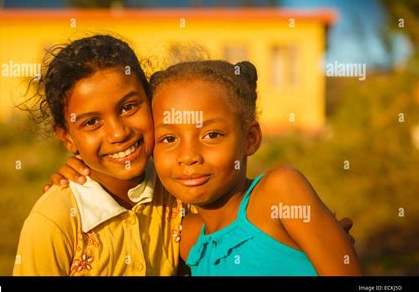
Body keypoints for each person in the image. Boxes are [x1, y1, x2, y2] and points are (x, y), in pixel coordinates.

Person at [149, 60, 362, 276]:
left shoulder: (279, 194)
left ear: (250, 139)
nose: (188, 156)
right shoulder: (185, 239)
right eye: (168, 138)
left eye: (211, 135)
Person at [13, 35, 185, 276]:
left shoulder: (180, 189)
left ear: (150, 100)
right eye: (92, 122)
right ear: (67, 138)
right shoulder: (54, 220)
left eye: (129, 107)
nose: (118, 133)